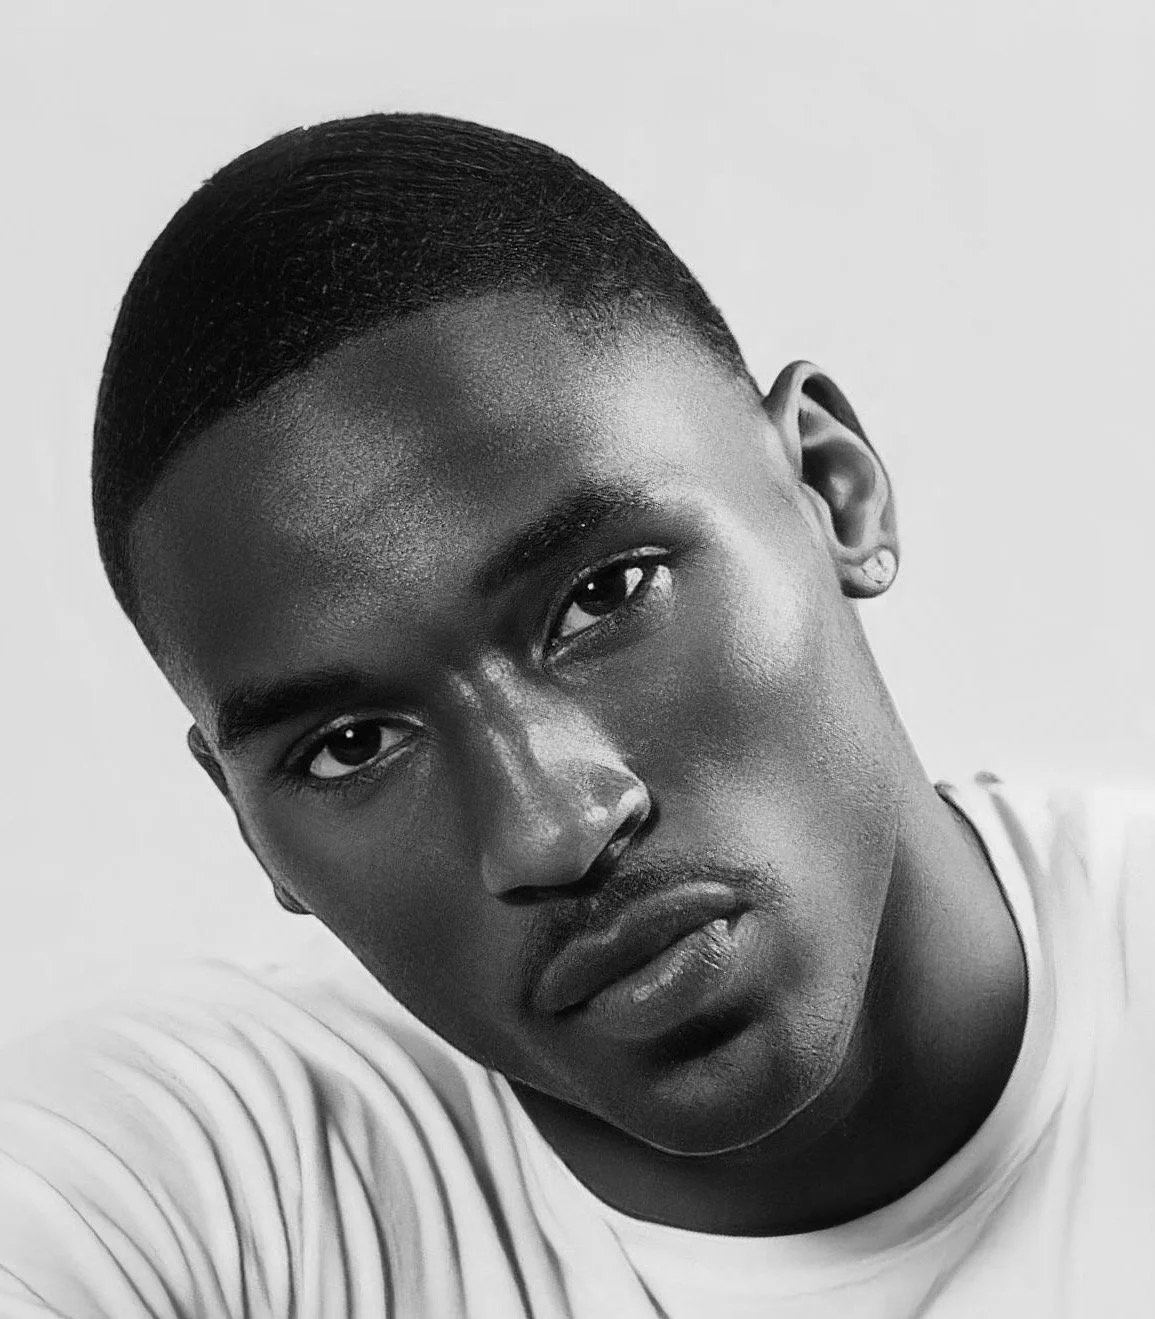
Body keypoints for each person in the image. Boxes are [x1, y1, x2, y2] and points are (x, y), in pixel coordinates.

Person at [1, 112, 1152, 1319]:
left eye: (604, 594)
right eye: (350, 745)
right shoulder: (182, 1184)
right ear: (246, 824)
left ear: (830, 488)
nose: (552, 825)